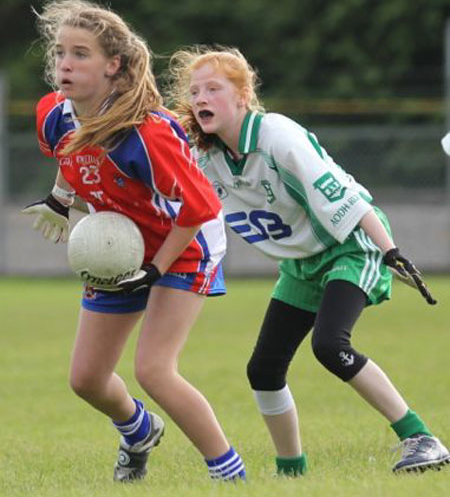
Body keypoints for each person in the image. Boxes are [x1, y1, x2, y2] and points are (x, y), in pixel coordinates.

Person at [167, 45, 450, 476]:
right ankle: (291, 472)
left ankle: (423, 439)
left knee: (329, 345)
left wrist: (389, 250)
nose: (200, 98)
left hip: (352, 244)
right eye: (195, 91)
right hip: (303, 264)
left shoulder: (276, 136)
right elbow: (183, 210)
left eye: (213, 89)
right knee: (263, 369)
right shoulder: (206, 158)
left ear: (243, 97)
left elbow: (347, 198)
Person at [22, 1, 246, 483]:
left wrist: (156, 269)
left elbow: (200, 208)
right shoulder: (52, 116)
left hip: (184, 244)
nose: (64, 63)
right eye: (60, 52)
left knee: (154, 370)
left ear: (114, 66)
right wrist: (61, 199)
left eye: (80, 54)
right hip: (123, 244)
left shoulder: (146, 134)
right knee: (86, 380)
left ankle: (230, 475)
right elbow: (69, 154)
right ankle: (139, 430)